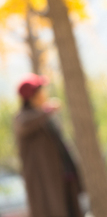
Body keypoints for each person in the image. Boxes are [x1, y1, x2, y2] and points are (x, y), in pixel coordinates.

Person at [14, 73, 83, 217]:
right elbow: (24, 124)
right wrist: (47, 111)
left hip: (64, 178)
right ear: (32, 95)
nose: (45, 94)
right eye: (41, 90)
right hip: (44, 184)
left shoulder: (43, 116)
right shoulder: (23, 118)